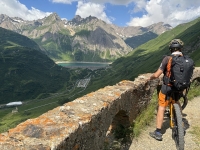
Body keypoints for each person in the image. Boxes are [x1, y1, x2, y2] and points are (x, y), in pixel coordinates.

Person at [149, 39, 185, 141]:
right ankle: (180, 123)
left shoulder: (167, 59)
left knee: (161, 107)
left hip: (167, 87)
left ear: (170, 49)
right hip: (179, 87)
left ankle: (158, 132)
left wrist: (151, 77)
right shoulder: (185, 59)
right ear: (180, 48)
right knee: (177, 102)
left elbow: (157, 75)